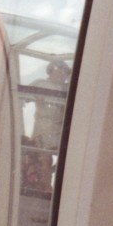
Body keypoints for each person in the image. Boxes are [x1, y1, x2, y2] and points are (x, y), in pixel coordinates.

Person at [25, 59, 71, 189]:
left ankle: (52, 185)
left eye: (64, 72)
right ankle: (45, 187)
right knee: (43, 157)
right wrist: (37, 97)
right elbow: (24, 97)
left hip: (60, 129)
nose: (61, 74)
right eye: (59, 70)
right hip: (43, 127)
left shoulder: (67, 88)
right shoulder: (41, 83)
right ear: (51, 71)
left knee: (65, 158)